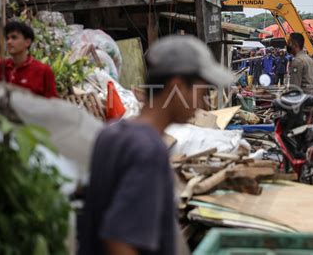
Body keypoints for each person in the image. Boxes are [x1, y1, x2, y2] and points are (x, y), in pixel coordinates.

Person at [80, 35, 233, 255]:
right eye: (201, 93)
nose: (203, 104)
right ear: (177, 87)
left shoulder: (112, 133)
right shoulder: (148, 150)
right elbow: (118, 239)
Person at [0, 21, 58, 98]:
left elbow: (53, 104)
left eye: (14, 37)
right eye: (7, 38)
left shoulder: (43, 71)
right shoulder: (1, 67)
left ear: (27, 42)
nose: (9, 41)